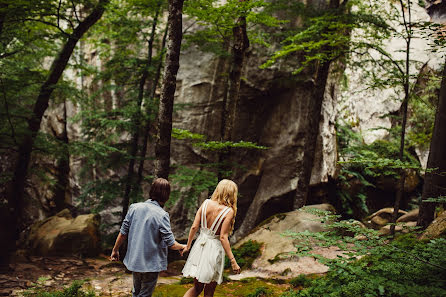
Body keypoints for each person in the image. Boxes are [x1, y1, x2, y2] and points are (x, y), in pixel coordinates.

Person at [110, 178, 185, 297]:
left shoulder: (134, 208)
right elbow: (171, 244)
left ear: (152, 191)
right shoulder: (162, 215)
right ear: (166, 195)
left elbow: (123, 232)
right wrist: (183, 246)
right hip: (151, 264)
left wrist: (115, 250)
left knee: (136, 292)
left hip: (135, 260)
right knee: (144, 294)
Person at [182, 179, 241, 297]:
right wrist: (233, 261)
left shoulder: (206, 203)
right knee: (209, 292)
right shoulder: (228, 211)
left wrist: (188, 246)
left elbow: (194, 227)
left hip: (199, 246)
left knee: (197, 288)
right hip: (214, 250)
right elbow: (223, 237)